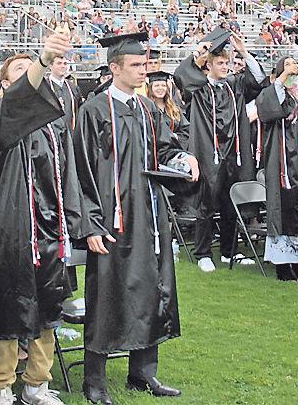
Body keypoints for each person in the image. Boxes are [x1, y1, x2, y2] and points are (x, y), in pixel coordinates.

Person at [74, 31, 199, 405]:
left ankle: (142, 374)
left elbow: (166, 147)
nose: (144, 71)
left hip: (148, 215)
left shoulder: (146, 109)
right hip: (111, 221)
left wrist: (184, 160)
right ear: (114, 68)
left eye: (146, 64)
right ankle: (93, 381)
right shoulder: (94, 111)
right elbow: (79, 172)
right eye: (136, 65)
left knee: (152, 288)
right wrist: (90, 225)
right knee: (106, 297)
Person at [0, 31, 87, 405]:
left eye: (33, 69)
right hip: (13, 231)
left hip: (50, 229)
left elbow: (70, 174)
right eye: (21, 72)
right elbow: (15, 103)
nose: (32, 76)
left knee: (47, 309)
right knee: (9, 310)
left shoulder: (55, 124)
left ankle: (37, 386)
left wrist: (74, 223)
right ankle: (2, 388)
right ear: (7, 85)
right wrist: (41, 61)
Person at [175, 28, 265, 272]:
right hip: (208, 153)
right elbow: (181, 76)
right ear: (209, 66)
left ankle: (229, 251)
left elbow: (258, 81)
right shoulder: (199, 88)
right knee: (207, 205)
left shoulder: (233, 86)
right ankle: (203, 252)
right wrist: (198, 55)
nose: (226, 67)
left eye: (227, 62)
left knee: (230, 205)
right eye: (221, 63)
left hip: (232, 153)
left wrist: (244, 52)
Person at [255, 57, 298, 280]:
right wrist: (283, 76)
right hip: (283, 165)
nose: (293, 68)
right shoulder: (276, 96)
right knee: (284, 209)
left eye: (295, 65)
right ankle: (284, 265)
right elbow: (267, 110)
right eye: (287, 65)